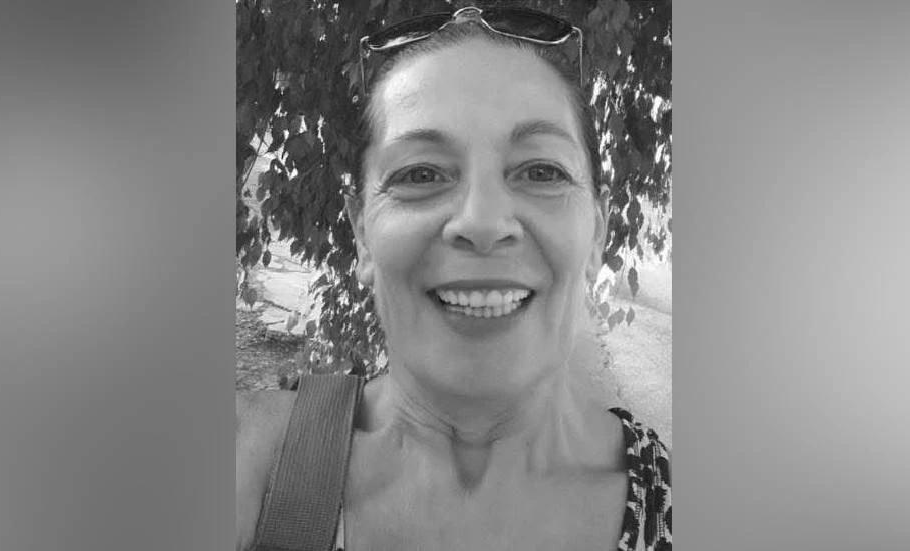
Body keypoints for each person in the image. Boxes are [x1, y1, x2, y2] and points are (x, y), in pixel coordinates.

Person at [237, 7, 671, 550]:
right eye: (420, 174)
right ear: (362, 233)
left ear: (598, 233)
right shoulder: (247, 461)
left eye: (541, 172)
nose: (482, 223)